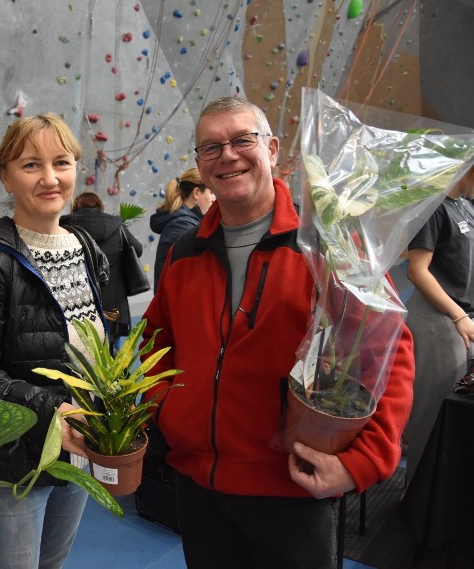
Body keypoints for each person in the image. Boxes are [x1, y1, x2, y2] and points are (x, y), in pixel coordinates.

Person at [139, 96, 415, 569]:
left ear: (272, 149)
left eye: (241, 140)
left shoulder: (327, 244)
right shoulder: (187, 250)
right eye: (210, 147)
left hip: (291, 488)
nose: (227, 155)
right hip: (199, 488)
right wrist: (168, 410)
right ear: (200, 167)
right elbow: (154, 346)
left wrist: (361, 462)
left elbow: (388, 354)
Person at [0, 113, 110, 569]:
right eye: (30, 165)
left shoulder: (85, 247)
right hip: (13, 453)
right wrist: (51, 410)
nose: (50, 178)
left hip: (78, 442)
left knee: (53, 562)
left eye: (61, 162)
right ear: (4, 174)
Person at [404, 165, 474, 480]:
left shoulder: (466, 205)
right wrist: (457, 316)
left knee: (455, 410)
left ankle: (442, 495)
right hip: (438, 315)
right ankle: (416, 497)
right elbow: (417, 270)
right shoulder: (435, 207)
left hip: (463, 315)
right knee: (431, 412)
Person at [60, 191, 143, 341]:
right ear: (99, 206)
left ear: (75, 207)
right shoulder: (117, 225)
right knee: (115, 355)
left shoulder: (65, 226)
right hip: (114, 304)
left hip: (76, 302)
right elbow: (138, 249)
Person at [149, 167, 215, 288]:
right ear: (196, 193)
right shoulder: (182, 224)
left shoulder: (184, 221)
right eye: (211, 192)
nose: (213, 199)